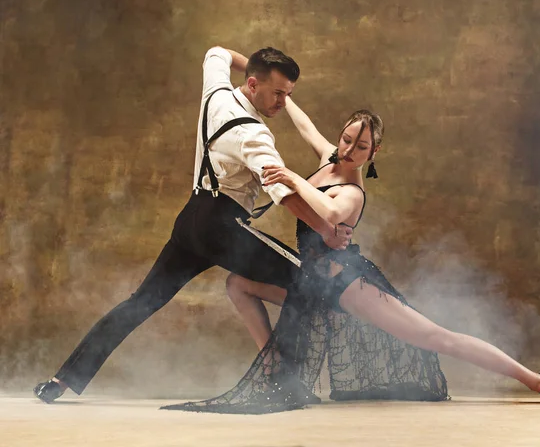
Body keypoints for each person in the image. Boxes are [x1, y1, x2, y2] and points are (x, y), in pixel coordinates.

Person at [161, 98, 540, 414]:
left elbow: (328, 213)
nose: (347, 151)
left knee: (438, 337)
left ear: (374, 153)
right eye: (346, 140)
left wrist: (291, 175)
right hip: (310, 283)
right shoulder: (331, 159)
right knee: (237, 284)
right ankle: (277, 366)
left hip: (347, 284)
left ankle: (537, 380)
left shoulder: (351, 192)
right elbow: (308, 126)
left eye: (359, 147)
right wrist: (283, 93)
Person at [33, 46, 352, 403]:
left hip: (191, 220)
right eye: (277, 93)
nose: (283, 103)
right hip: (222, 228)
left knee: (141, 301)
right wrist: (326, 230)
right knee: (304, 280)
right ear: (252, 85)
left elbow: (216, 53)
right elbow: (283, 193)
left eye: (288, 94)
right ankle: (281, 381)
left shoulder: (216, 94)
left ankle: (60, 381)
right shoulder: (254, 134)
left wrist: (262, 69)